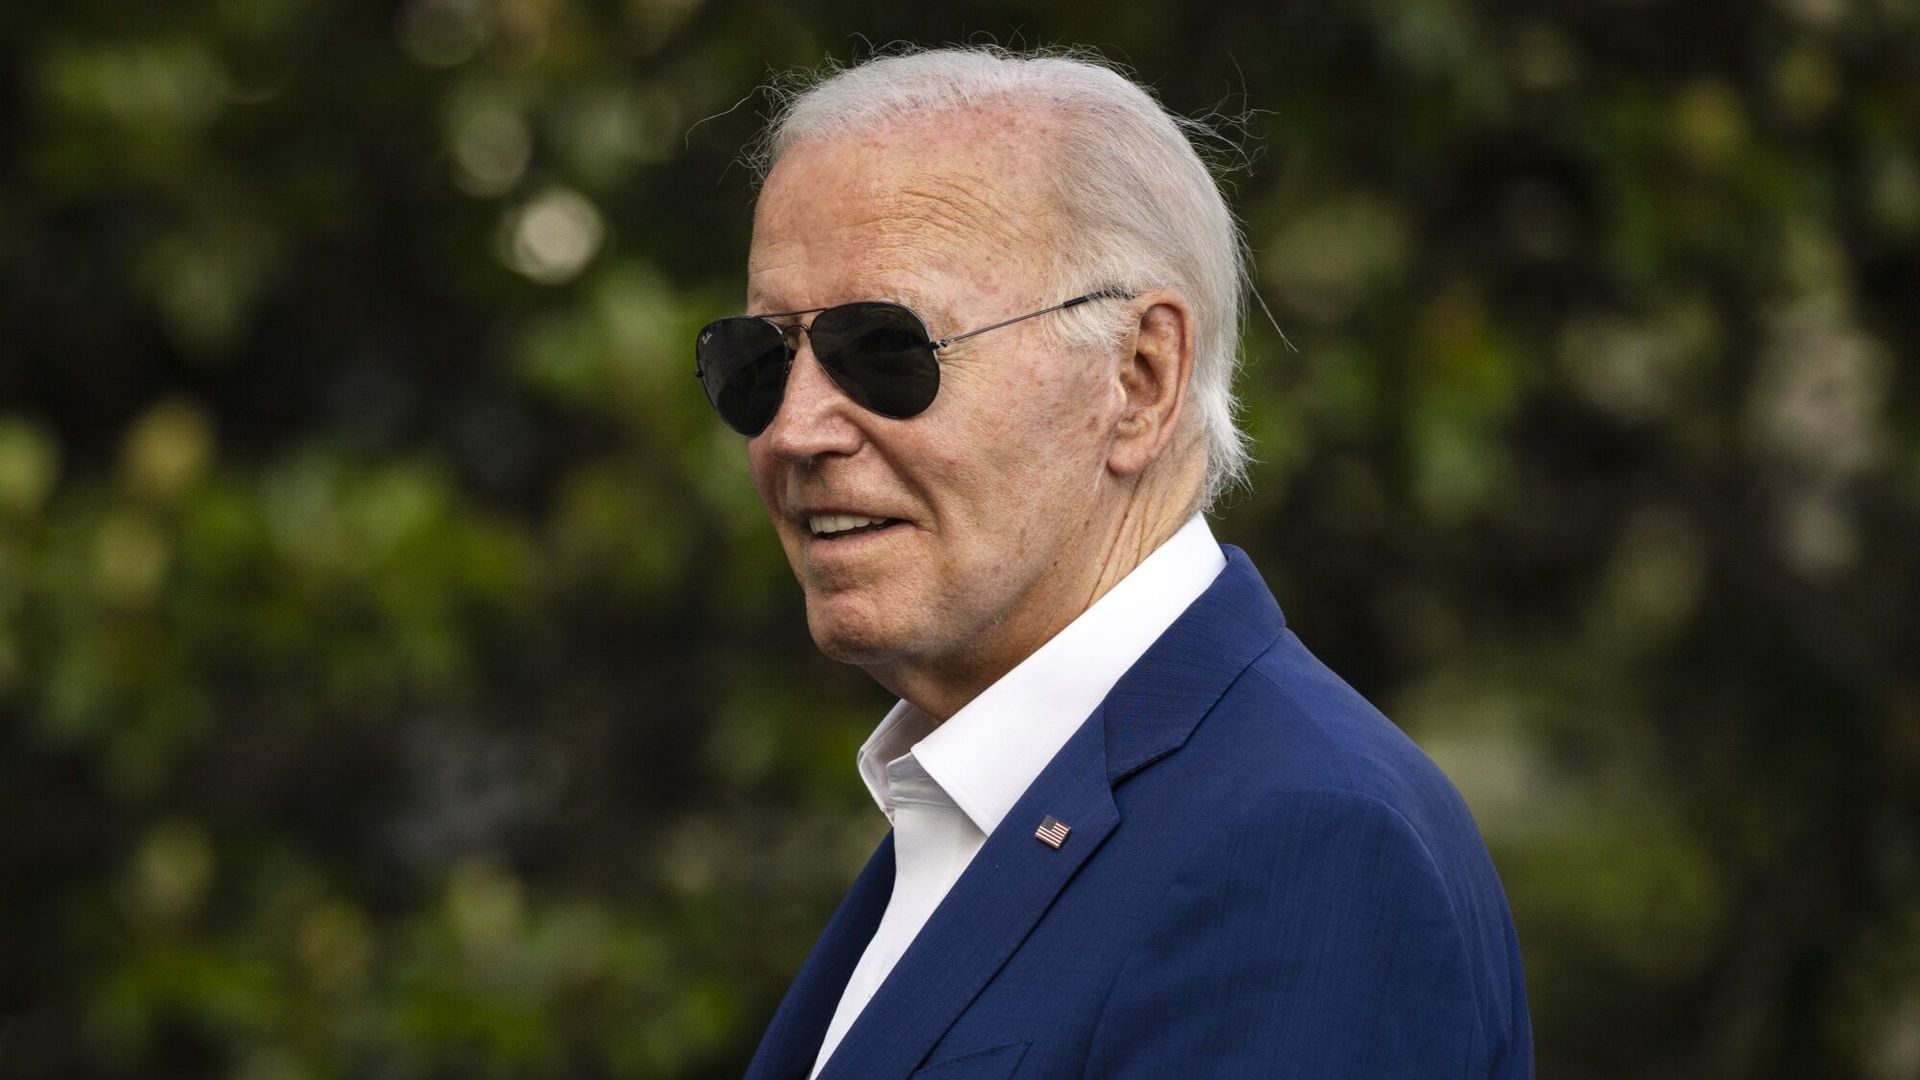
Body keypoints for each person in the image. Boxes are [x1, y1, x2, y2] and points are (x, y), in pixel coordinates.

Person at [694, 46, 1533, 1079]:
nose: (793, 430)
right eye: (760, 361)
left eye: (885, 350)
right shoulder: (990, 802)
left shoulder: (1299, 843)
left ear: (1139, 380)